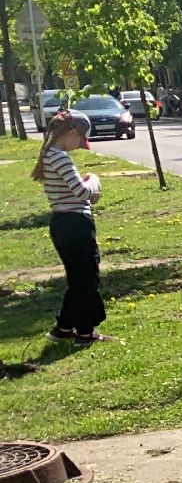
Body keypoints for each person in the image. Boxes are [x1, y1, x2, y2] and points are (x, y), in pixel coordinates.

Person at [34, 111, 113, 344]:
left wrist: (85, 185)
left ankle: (64, 328)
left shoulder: (49, 155)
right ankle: (85, 332)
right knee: (87, 278)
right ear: (71, 133)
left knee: (77, 278)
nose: (79, 145)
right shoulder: (60, 157)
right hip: (76, 224)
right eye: (80, 140)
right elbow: (83, 192)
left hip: (62, 223)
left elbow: (72, 189)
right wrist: (94, 180)